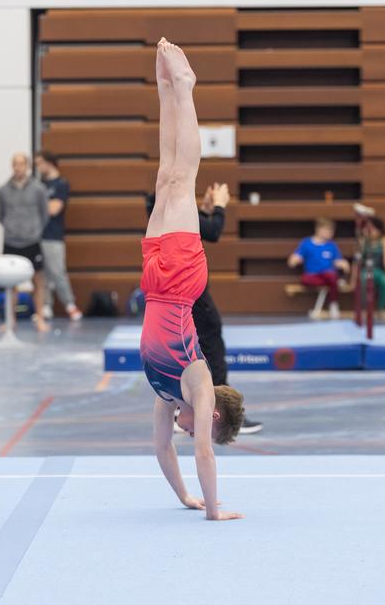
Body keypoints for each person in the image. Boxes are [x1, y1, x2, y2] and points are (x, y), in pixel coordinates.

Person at [140, 38, 244, 521]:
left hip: (154, 282)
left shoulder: (166, 397)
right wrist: (212, 509)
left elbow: (163, 451)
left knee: (165, 177)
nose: (186, 430)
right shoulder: (199, 386)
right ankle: (186, 89)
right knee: (184, 179)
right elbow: (203, 452)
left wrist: (184, 497)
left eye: (188, 428)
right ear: (213, 417)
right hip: (180, 283)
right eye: (197, 427)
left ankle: (165, 91)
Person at [146, 185, 262, 435]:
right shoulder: (170, 210)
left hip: (171, 287)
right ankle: (213, 404)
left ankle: (187, 405)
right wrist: (219, 207)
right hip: (184, 288)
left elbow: (197, 227)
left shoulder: (162, 210)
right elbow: (212, 231)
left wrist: (204, 211)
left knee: (195, 343)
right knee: (209, 337)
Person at [0, 153, 49, 332]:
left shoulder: (38, 189)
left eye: (21, 164)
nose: (18, 167)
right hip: (11, 241)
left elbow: (45, 215)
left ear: (27, 166)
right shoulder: (3, 190)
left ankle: (40, 318)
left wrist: (34, 230)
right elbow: (0, 215)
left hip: (32, 241)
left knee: (38, 280)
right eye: (15, 164)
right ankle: (10, 320)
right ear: (12, 166)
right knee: (11, 283)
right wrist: (13, 229)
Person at [34, 150, 82, 321]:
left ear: (50, 162)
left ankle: (70, 304)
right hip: (37, 234)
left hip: (53, 235)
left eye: (40, 163)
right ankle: (46, 305)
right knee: (42, 273)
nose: (38, 167)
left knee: (57, 271)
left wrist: (40, 206)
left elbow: (54, 209)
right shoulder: (39, 184)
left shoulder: (61, 184)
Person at [288, 217, 350, 319]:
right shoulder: (306, 243)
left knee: (330, 276)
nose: (330, 233)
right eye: (327, 230)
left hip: (327, 274)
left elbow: (337, 260)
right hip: (312, 275)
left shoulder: (331, 246)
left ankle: (333, 304)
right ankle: (334, 283)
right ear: (319, 229)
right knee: (306, 279)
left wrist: (344, 264)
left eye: (331, 230)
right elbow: (295, 257)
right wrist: (294, 260)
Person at [357, 217, 385, 318]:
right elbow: (357, 262)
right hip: (366, 270)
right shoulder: (362, 241)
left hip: (378, 271)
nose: (371, 232)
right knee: (363, 279)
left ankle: (381, 309)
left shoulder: (384, 241)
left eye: (373, 229)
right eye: (368, 229)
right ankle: (365, 308)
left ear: (379, 230)